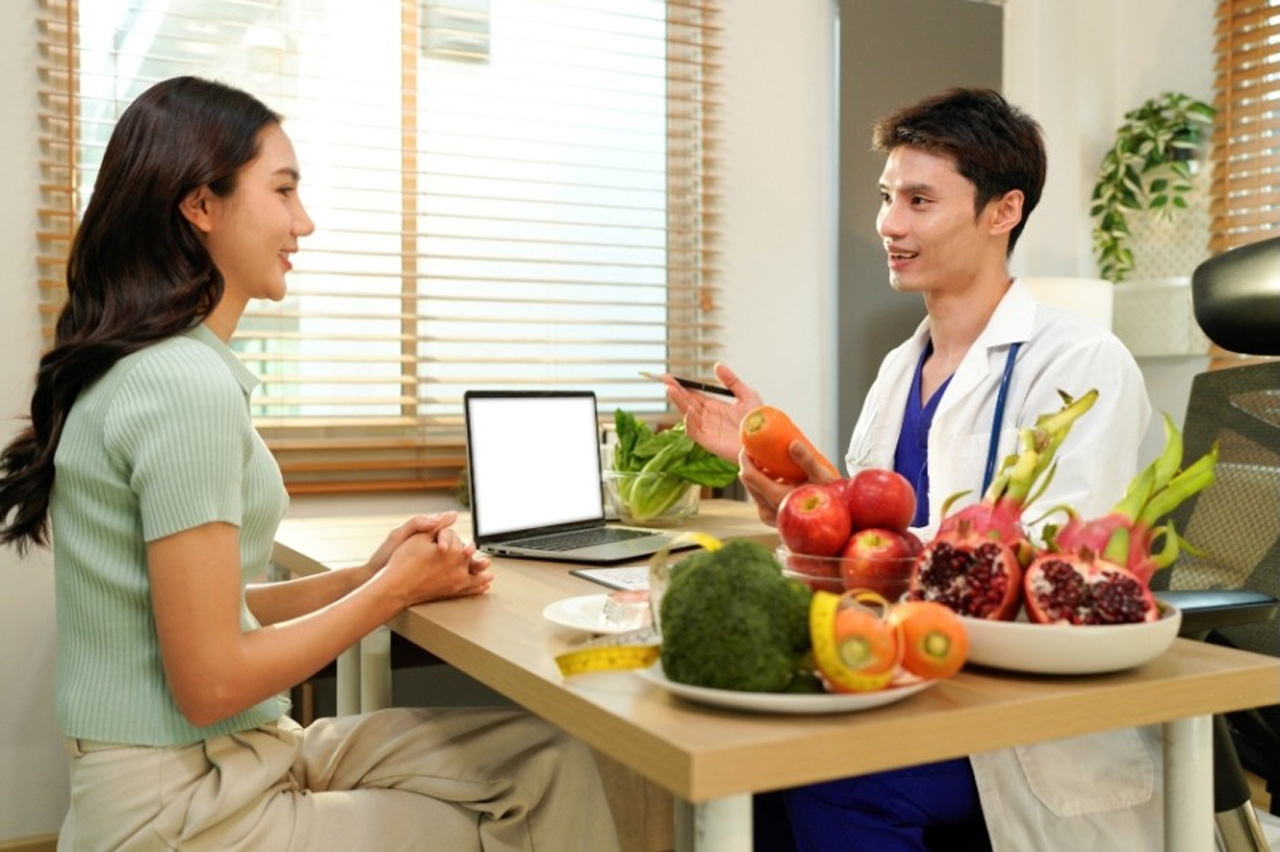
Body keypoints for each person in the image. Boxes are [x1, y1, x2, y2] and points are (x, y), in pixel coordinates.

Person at [0, 76, 620, 852]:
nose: (306, 223)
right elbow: (212, 681)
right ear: (201, 206)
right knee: (501, 818)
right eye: (284, 192)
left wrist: (373, 574)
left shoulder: (161, 366)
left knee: (544, 758)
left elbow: (219, 609)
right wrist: (394, 590)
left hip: (232, 759)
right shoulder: (181, 384)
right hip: (183, 807)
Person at [665, 88, 1159, 851]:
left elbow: (1052, 564)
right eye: (888, 197)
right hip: (910, 673)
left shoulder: (1081, 362)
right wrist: (783, 481)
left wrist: (837, 519)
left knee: (832, 783)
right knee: (736, 768)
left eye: (920, 200)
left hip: (1016, 712)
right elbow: (872, 542)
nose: (890, 225)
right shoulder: (902, 366)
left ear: (1003, 212)